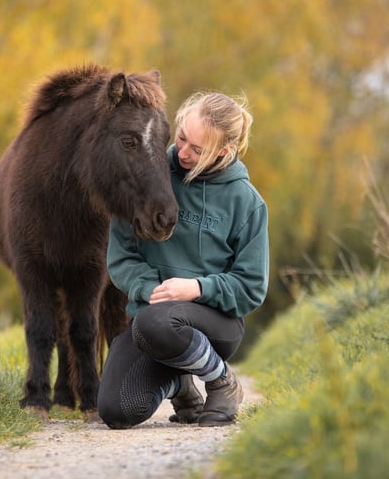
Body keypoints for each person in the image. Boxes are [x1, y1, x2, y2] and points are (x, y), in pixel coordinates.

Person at [98, 91, 269, 429]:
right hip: (151, 318)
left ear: (223, 151)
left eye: (197, 149)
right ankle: (180, 384)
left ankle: (221, 382)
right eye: (181, 138)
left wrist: (195, 288)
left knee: (155, 321)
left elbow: (251, 287)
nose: (183, 152)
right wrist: (150, 289)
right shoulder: (145, 177)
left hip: (215, 324)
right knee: (117, 410)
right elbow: (121, 256)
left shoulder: (247, 203)